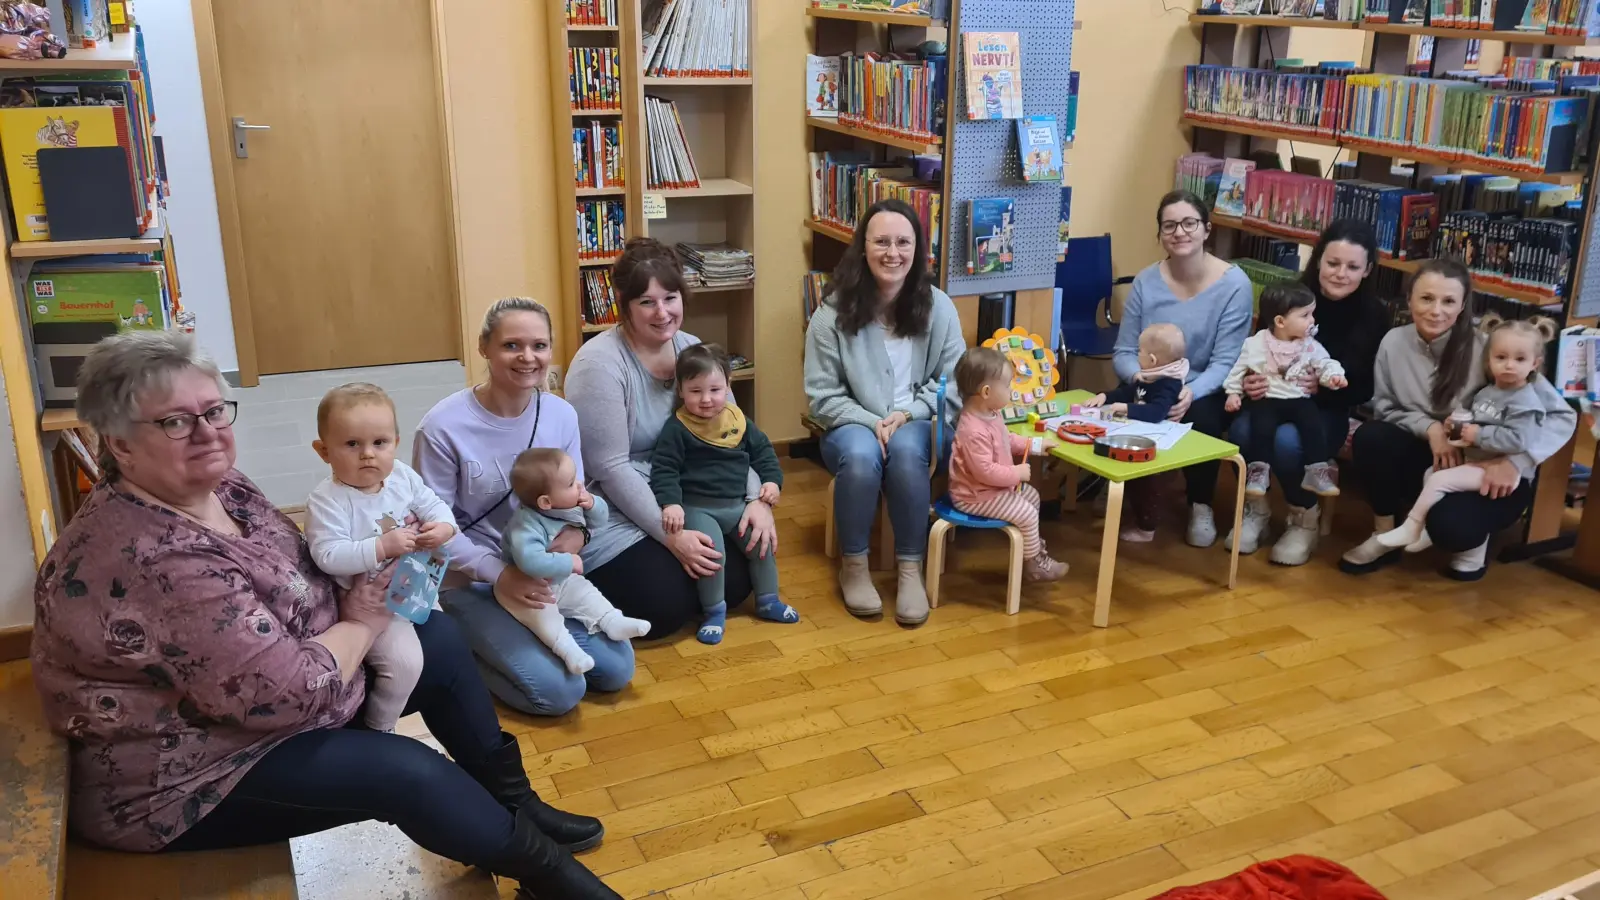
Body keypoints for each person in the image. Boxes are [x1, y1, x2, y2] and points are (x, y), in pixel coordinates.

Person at [32, 331, 615, 899]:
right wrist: (359, 623)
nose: (207, 433)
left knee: (437, 640)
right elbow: (282, 696)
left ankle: (518, 806)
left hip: (279, 688)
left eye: (213, 411)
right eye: (175, 421)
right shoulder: (154, 559)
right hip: (191, 772)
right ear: (119, 444)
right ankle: (548, 875)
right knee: (406, 774)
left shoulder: (220, 487)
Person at [415, 297, 635, 717]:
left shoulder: (561, 415)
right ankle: (467, 652)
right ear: (484, 347)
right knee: (558, 693)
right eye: (512, 345)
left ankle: (532, 636)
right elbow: (433, 528)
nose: (527, 357)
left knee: (616, 670)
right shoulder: (442, 427)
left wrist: (577, 537)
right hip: (470, 578)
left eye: (539, 345)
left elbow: (576, 498)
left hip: (540, 569)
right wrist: (500, 574)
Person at [565, 238, 776, 639]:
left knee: (737, 582)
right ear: (624, 305)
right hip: (621, 507)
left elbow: (735, 433)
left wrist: (756, 501)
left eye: (670, 298)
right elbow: (609, 468)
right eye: (646, 302)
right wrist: (671, 536)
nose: (662, 313)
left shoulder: (693, 351)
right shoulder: (599, 365)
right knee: (664, 608)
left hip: (694, 497)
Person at [1340, 260, 1577, 580]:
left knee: (1453, 528)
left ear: (1463, 305)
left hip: (1493, 467)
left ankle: (1471, 545)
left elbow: (1561, 415)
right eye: (1426, 298)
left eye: (1449, 301)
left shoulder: (1492, 350)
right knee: (1371, 436)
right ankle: (1386, 533)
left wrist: (1517, 461)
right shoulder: (1393, 343)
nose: (1436, 310)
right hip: (1433, 454)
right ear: (1409, 299)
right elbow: (1385, 408)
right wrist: (1432, 429)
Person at [803, 197, 966, 624]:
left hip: (919, 419)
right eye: (881, 242)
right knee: (861, 456)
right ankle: (854, 566)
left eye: (903, 242)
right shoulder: (831, 314)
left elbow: (954, 382)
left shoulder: (939, 306)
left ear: (917, 250)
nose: (893, 253)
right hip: (852, 422)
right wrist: (874, 421)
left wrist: (909, 413)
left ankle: (910, 569)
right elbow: (823, 397)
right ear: (862, 248)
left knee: (909, 453)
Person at [1225, 220, 1390, 565]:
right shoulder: (1288, 297)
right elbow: (1256, 352)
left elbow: (1365, 387)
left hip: (1327, 413)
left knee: (1286, 442)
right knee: (1240, 429)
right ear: (1317, 260)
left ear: (1367, 270)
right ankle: (1257, 509)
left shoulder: (1373, 314)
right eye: (1333, 263)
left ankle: (1305, 517)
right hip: (1271, 400)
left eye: (1352, 267)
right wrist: (1250, 382)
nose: (1341, 273)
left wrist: (1324, 387)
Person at [303, 383, 457, 732]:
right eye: (352, 444)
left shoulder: (401, 475)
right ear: (324, 451)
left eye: (379, 443)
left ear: (395, 445)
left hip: (413, 582)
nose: (368, 454)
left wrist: (445, 526)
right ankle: (380, 728)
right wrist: (382, 547)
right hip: (372, 606)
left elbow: (433, 503)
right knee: (405, 664)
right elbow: (327, 555)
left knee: (445, 636)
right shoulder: (327, 500)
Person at [1112, 190, 1254, 547]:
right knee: (1123, 405)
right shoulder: (1146, 281)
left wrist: (1191, 390)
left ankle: (1200, 503)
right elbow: (1125, 350)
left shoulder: (1234, 284)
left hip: (1204, 382)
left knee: (1202, 418)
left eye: (1189, 223)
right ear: (1159, 234)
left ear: (1207, 229)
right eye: (1169, 225)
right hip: (1152, 378)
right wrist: (1137, 376)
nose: (1180, 232)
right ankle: (1137, 506)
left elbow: (1226, 360)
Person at [1373, 315, 1560, 553]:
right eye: (1501, 358)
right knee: (1433, 473)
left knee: (1439, 479)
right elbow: (1478, 419)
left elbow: (1518, 439)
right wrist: (1456, 426)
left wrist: (1478, 434)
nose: (1509, 365)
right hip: (1475, 460)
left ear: (1535, 363)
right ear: (1488, 360)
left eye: (1520, 359)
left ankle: (1412, 525)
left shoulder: (1526, 402)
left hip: (1499, 469)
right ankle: (1426, 530)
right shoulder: (1489, 391)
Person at [652, 343, 799, 644]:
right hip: (697, 507)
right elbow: (664, 469)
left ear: (728, 386)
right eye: (695, 391)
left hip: (736, 504)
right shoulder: (677, 428)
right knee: (712, 551)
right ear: (680, 390)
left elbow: (764, 453)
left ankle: (768, 600)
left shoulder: (738, 420)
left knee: (762, 544)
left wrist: (771, 482)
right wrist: (671, 504)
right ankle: (714, 612)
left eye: (715, 390)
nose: (706, 400)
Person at [501, 448, 651, 674]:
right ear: (545, 502)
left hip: (561, 579)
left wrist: (591, 503)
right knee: (545, 620)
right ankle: (569, 651)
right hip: (529, 588)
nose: (580, 485)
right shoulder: (525, 525)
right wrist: (568, 562)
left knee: (586, 593)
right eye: (571, 484)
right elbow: (529, 561)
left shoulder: (570, 504)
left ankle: (612, 621)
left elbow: (600, 521)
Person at [947, 346, 1069, 581]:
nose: (1011, 389)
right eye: (1007, 385)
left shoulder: (992, 414)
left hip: (991, 490)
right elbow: (985, 472)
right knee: (1027, 513)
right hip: (974, 495)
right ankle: (1035, 564)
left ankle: (1034, 552)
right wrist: (1017, 473)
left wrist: (1034, 445)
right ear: (986, 391)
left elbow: (1007, 439)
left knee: (1032, 497)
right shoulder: (972, 429)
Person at [1222, 283, 1348, 498]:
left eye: (1312, 314)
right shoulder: (1256, 344)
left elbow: (1325, 363)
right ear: (1280, 321)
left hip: (1298, 399)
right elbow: (1239, 369)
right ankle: (1259, 471)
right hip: (1267, 398)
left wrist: (1333, 377)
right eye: (1305, 315)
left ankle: (1316, 470)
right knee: (1261, 428)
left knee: (1312, 425)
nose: (1312, 321)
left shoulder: (1309, 345)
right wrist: (1233, 392)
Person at [1083, 323, 1189, 542]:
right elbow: (1129, 391)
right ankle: (1125, 510)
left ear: (1152, 359)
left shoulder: (1168, 382)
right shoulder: (1150, 375)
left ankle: (1146, 529)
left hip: (1159, 444)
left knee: (1147, 486)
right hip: (1139, 434)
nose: (1136, 356)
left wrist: (1125, 408)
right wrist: (1105, 396)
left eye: (1139, 352)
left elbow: (1156, 412)